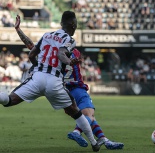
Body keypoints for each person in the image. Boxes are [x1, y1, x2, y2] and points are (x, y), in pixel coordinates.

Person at [14, 15, 124, 150]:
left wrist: (19, 30)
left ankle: (104, 140)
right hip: (76, 87)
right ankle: (77, 132)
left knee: (88, 116)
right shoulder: (70, 49)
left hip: (61, 88)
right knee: (88, 114)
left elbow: (32, 47)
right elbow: (62, 54)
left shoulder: (51, 52)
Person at [0, 12, 100, 152]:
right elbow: (61, 54)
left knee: (10, 100)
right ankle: (94, 143)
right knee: (75, 111)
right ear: (73, 25)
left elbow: (31, 53)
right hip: (54, 81)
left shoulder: (46, 35)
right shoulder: (70, 40)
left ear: (61, 23)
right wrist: (69, 61)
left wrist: (36, 66)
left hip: (38, 78)